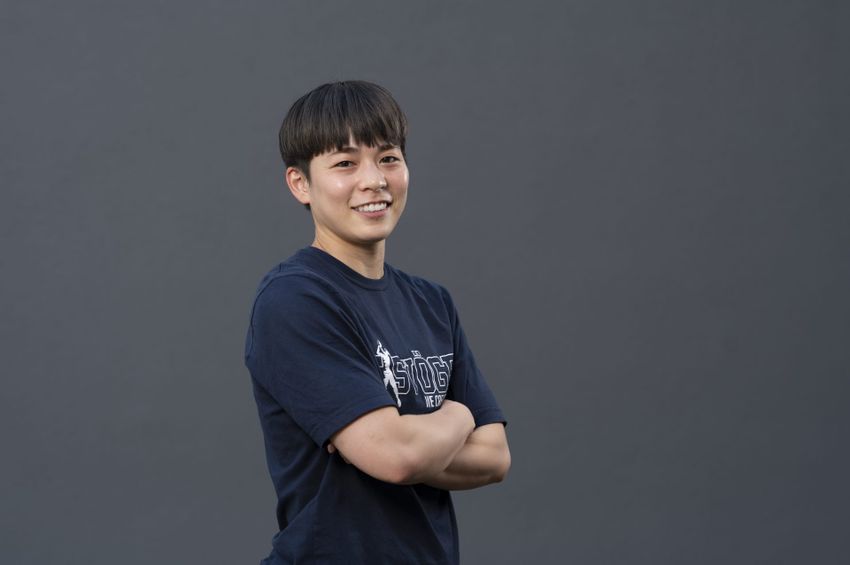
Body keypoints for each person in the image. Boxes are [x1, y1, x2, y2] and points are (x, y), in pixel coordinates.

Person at [244, 80, 510, 564]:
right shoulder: (295, 299)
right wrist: (459, 416)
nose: (374, 180)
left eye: (388, 158)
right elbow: (397, 457)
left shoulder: (431, 302)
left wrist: (401, 442)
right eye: (345, 163)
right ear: (300, 184)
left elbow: (494, 457)